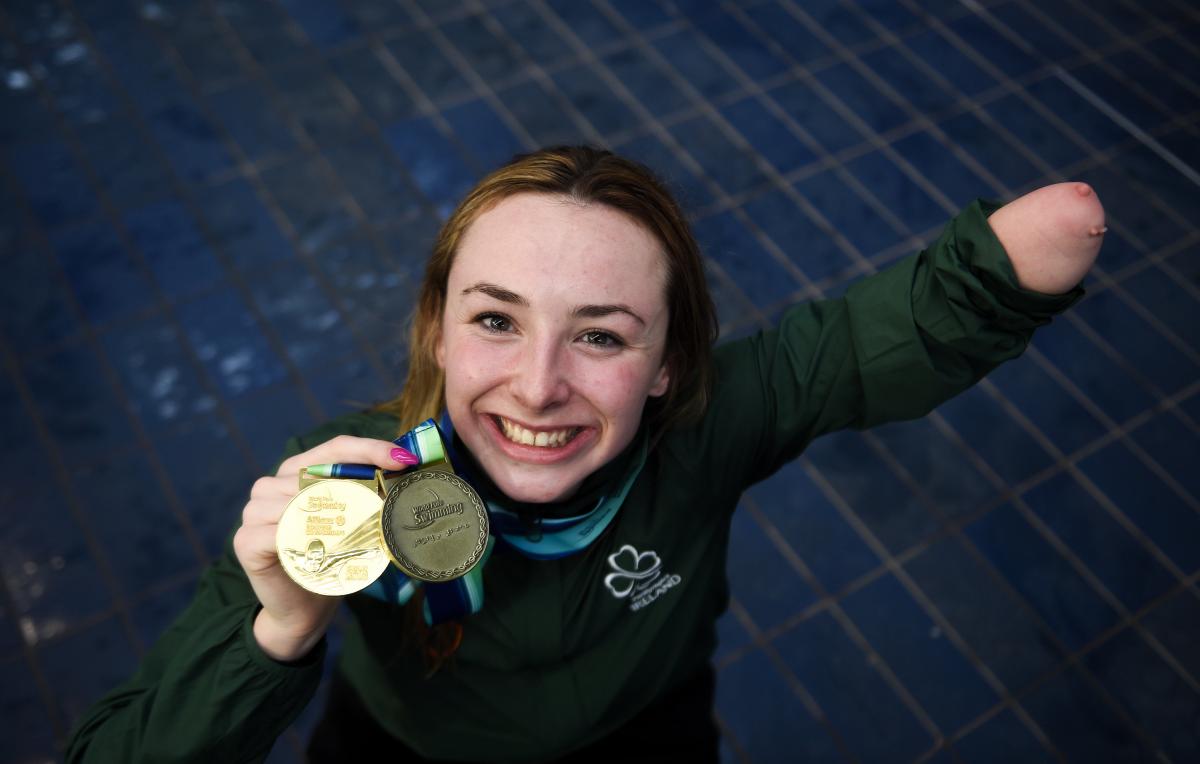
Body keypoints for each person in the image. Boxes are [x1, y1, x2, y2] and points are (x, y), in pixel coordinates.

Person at [65, 146, 1104, 762]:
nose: (537, 384)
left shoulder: (711, 422)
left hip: (643, 738)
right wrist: (280, 627)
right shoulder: (343, 484)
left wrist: (1011, 265)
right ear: (436, 329)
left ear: (667, 362)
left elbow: (890, 327)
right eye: (496, 319)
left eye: (600, 333)